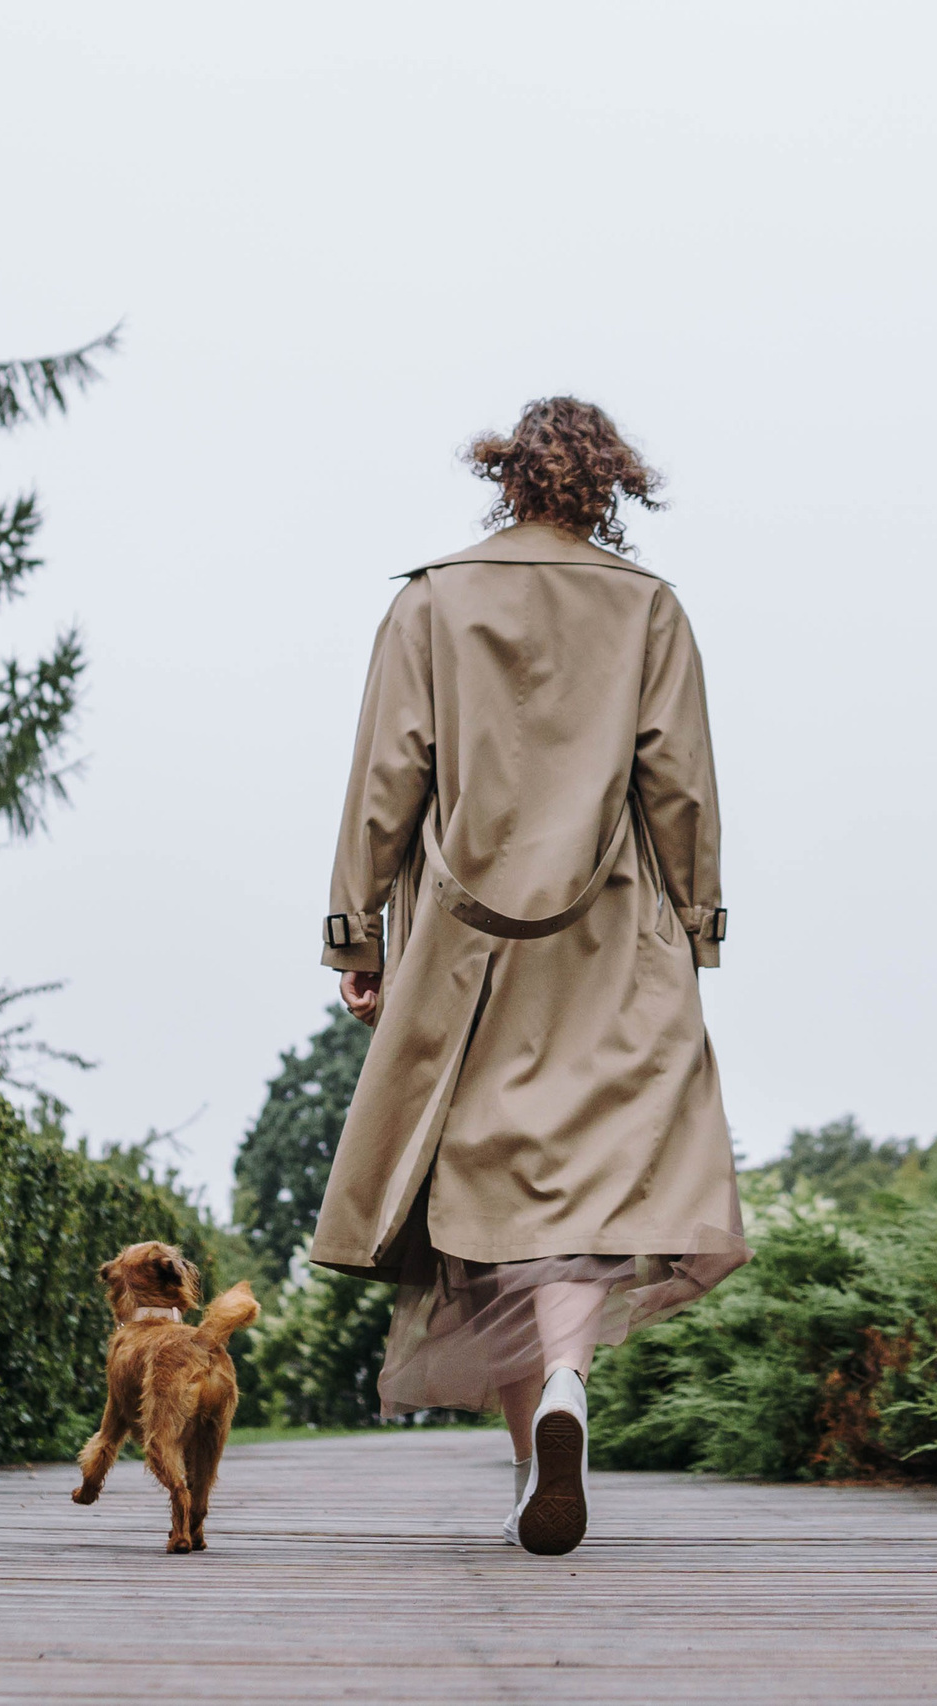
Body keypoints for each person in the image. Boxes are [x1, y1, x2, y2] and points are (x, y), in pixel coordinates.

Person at [306, 397, 747, 1557]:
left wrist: (360, 937)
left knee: (497, 1200)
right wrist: (696, 927)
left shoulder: (430, 599)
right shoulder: (648, 608)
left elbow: (385, 776)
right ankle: (562, 1384)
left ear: (505, 476)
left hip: (467, 945)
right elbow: (680, 785)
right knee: (591, 1190)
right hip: (612, 943)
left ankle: (534, 1451)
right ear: (611, 486)